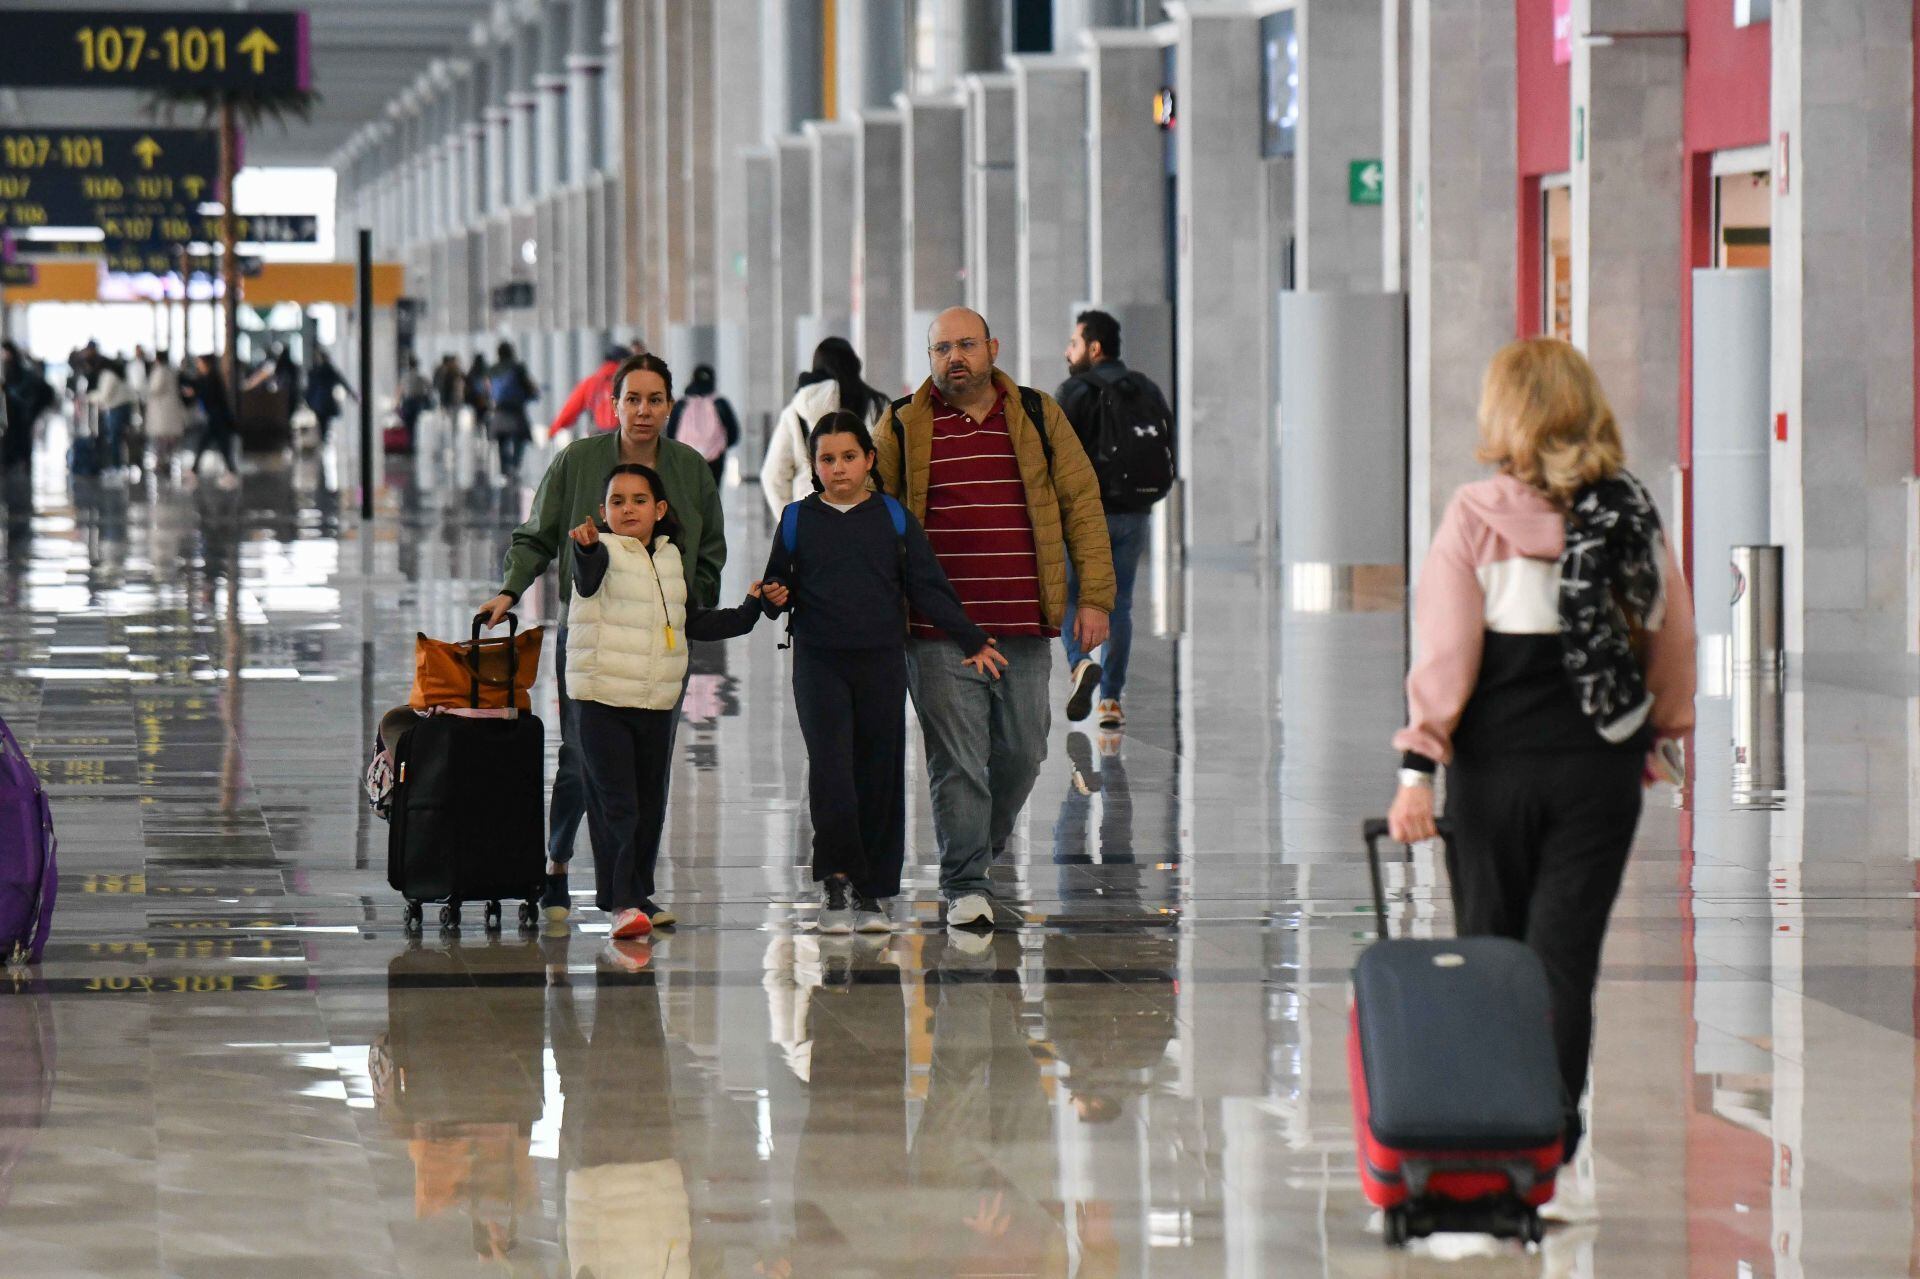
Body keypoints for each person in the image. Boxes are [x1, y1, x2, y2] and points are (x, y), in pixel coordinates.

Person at [1387, 336, 1697, 1170]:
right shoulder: (1631, 512)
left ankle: (1492, 1126)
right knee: (1565, 959)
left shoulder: (1475, 516)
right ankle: (1548, 1138)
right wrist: (1664, 734)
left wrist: (1418, 768)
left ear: (1507, 415)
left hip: (1495, 773)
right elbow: (1672, 638)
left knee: (1492, 950)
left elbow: (1445, 657)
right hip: (1599, 773)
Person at [873, 306, 1114, 929]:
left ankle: (979, 847)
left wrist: (1095, 597)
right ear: (929, 358)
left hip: (1022, 622)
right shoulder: (902, 424)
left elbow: (1081, 502)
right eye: (942, 348)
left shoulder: (1036, 413)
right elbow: (872, 515)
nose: (955, 357)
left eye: (966, 345)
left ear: (993, 348)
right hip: (938, 629)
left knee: (1024, 751)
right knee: (957, 759)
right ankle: (965, 883)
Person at [478, 353, 728, 925]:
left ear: (670, 406)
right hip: (592, 635)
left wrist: (691, 600)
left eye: (655, 400)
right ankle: (558, 862)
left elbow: (710, 549)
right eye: (632, 399)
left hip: (662, 639)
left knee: (650, 769)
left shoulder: (689, 469)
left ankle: (633, 892)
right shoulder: (580, 460)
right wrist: (511, 590)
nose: (643, 411)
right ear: (613, 405)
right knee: (579, 759)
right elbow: (537, 534)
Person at [759, 411, 1006, 935]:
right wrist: (772, 596)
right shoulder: (798, 519)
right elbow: (777, 585)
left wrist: (970, 636)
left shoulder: (893, 517)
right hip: (819, 663)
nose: (839, 468)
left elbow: (927, 585)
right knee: (831, 770)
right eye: (828, 459)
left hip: (881, 662)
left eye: (849, 457)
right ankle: (835, 880)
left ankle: (872, 890)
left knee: (878, 771)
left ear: (869, 460)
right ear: (814, 466)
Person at [564, 463, 768, 938]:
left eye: (639, 500)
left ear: (659, 509)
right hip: (602, 700)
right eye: (617, 501)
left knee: (649, 805)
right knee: (618, 806)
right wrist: (585, 548)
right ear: (602, 512)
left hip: (655, 702)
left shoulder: (670, 557)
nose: (628, 509)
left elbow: (689, 620)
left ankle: (638, 894)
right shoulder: (600, 551)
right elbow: (587, 577)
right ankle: (621, 904)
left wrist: (750, 610)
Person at [1054, 309, 1175, 729]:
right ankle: (1110, 701)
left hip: (1086, 516)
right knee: (1119, 603)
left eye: (1074, 343)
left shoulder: (1075, 391)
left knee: (1068, 595)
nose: (1068, 351)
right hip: (1134, 513)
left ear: (1094, 347)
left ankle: (1080, 662)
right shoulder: (1145, 388)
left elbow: (1052, 454)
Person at [761, 336, 888, 518]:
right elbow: (888, 465)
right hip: (865, 514)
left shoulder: (796, 412)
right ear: (854, 364)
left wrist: (790, 521)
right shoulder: (876, 406)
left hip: (811, 516)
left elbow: (773, 476)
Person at [665, 363, 740, 486]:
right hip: (715, 459)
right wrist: (719, 447)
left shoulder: (681, 405)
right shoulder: (720, 403)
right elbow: (734, 434)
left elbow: (670, 434)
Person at [181, 353, 241, 488]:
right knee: (210, 444)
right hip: (214, 418)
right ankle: (197, 469)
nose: (198, 365)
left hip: (217, 418)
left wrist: (194, 392)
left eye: (200, 363)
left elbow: (207, 393)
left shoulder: (212, 378)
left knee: (220, 446)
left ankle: (230, 472)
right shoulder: (207, 377)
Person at [546, 344, 627, 440]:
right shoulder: (629, 381)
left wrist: (553, 430)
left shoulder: (591, 382)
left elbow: (570, 408)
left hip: (597, 438)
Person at [484, 342, 539, 479]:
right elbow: (528, 387)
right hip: (516, 411)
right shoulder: (518, 367)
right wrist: (532, 395)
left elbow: (488, 391)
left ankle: (504, 470)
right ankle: (515, 466)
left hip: (499, 412)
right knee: (520, 438)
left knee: (501, 442)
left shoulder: (492, 370)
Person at [2, 344, 53, 474]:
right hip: (15, 409)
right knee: (15, 435)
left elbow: (24, 389)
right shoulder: (13, 367)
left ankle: (19, 461)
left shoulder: (19, 368)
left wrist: (13, 393)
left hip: (20, 409)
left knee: (21, 435)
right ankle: (13, 460)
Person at [141, 349, 188, 474]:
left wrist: (144, 389)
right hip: (169, 409)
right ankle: (166, 462)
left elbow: (155, 389)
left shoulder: (160, 371)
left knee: (161, 438)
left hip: (162, 411)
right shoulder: (170, 370)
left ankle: (161, 463)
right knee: (168, 439)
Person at [303, 349, 357, 444]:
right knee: (324, 422)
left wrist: (307, 398)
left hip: (317, 401)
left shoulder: (315, 370)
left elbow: (309, 387)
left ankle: (323, 439)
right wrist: (352, 394)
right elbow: (342, 381)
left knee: (322, 422)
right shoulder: (327, 369)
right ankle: (323, 439)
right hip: (324, 401)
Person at [394, 355, 432, 442]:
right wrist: (425, 396)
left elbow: (400, 390)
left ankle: (408, 439)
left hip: (407, 401)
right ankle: (411, 439)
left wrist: (397, 402)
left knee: (407, 421)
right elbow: (429, 387)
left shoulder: (405, 376)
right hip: (417, 401)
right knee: (414, 422)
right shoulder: (420, 376)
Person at [464, 353, 493, 428]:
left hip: (475, 398)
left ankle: (479, 428)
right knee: (486, 414)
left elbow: (467, 384)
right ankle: (486, 428)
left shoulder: (472, 371)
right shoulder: (487, 370)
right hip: (485, 397)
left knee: (478, 415)